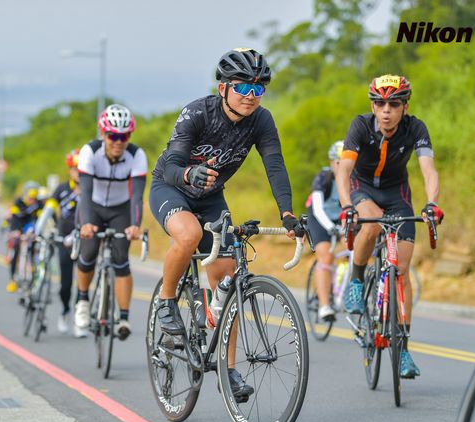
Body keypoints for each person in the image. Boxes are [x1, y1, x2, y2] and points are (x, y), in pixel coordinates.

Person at [148, 48, 304, 400]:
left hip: (211, 197)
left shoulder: (261, 120)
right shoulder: (197, 113)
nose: (251, 96)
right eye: (242, 88)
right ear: (223, 88)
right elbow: (171, 164)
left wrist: (287, 214)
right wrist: (188, 173)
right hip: (171, 187)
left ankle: (227, 369)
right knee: (189, 234)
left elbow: (275, 165)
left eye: (258, 89)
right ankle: (166, 301)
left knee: (229, 279)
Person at [336, 74, 443, 379]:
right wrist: (347, 206)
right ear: (373, 106)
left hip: (397, 195)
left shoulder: (416, 128)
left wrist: (431, 203)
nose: (386, 110)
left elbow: (428, 170)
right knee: (371, 226)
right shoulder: (360, 126)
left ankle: (403, 349)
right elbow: (344, 170)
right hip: (363, 188)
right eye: (380, 103)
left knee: (403, 271)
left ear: (405, 106)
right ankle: (357, 282)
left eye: (394, 104)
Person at [73, 104, 147, 340]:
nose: (118, 142)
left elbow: (137, 196)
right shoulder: (89, 151)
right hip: (93, 206)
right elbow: (85, 192)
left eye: (124, 136)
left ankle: (123, 318)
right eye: (113, 136)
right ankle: (82, 301)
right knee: (89, 251)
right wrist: (86, 223)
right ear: (103, 134)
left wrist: (135, 225)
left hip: (120, 209)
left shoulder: (137, 155)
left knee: (121, 258)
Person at [35, 149, 80, 334]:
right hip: (64, 240)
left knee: (84, 283)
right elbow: (48, 209)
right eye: (75, 169)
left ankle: (80, 318)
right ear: (70, 170)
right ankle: (65, 310)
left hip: (84, 240)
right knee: (66, 284)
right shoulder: (62, 189)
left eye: (81, 168)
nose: (78, 172)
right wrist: (39, 229)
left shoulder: (92, 188)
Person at [305, 141, 344, 322]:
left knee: (354, 249)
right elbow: (318, 208)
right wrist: (331, 228)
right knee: (326, 256)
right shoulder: (324, 177)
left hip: (339, 219)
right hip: (319, 218)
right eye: (338, 162)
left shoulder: (354, 179)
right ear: (332, 162)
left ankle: (343, 288)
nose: (342, 166)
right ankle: (324, 305)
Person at [5, 181, 42, 293]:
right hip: (18, 228)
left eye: (34, 198)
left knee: (34, 251)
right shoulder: (18, 202)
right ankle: (13, 279)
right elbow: (15, 218)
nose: (32, 201)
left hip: (32, 231)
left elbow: (41, 218)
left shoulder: (39, 204)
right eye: (30, 198)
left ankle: (34, 277)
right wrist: (15, 231)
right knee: (16, 251)